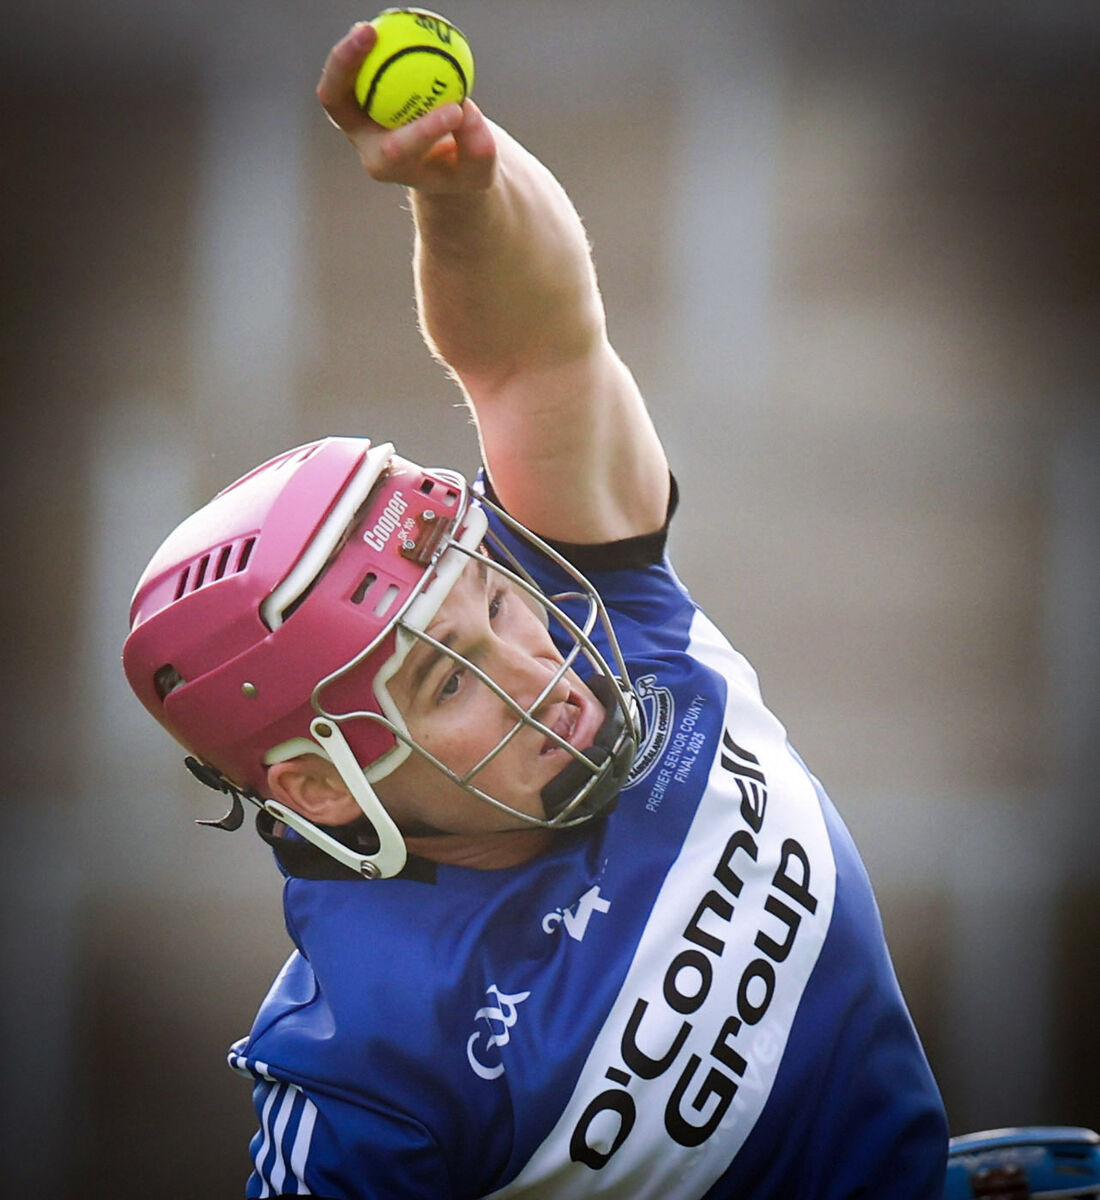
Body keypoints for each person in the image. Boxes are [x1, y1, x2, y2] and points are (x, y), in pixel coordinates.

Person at [123, 20, 949, 1199]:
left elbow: (535, 356)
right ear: (316, 782)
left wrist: (462, 194)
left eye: (497, 604)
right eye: (447, 679)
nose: (537, 667)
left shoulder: (613, 620)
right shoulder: (365, 1072)